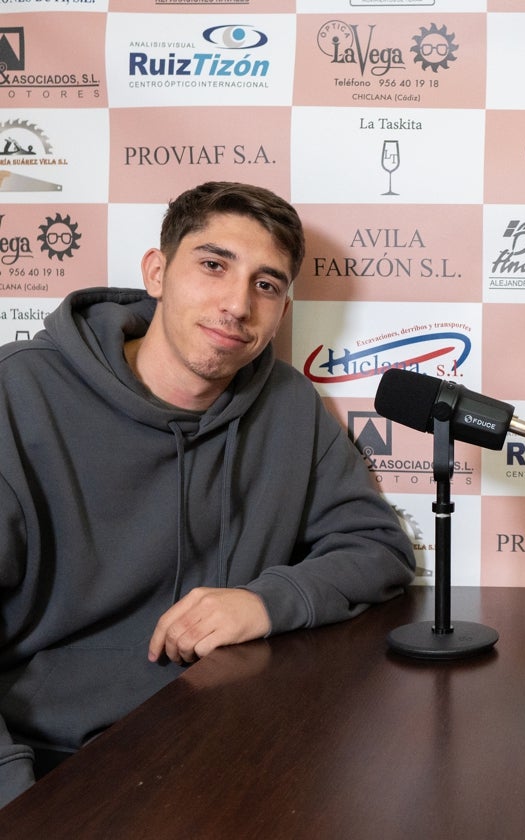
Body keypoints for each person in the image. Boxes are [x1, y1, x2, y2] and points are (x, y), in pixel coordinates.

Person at [0, 182, 415, 807]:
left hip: (221, 749)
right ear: (158, 271)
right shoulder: (17, 397)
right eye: (214, 265)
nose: (237, 304)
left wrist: (267, 601)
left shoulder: (287, 405)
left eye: (266, 284)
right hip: (54, 768)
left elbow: (378, 547)